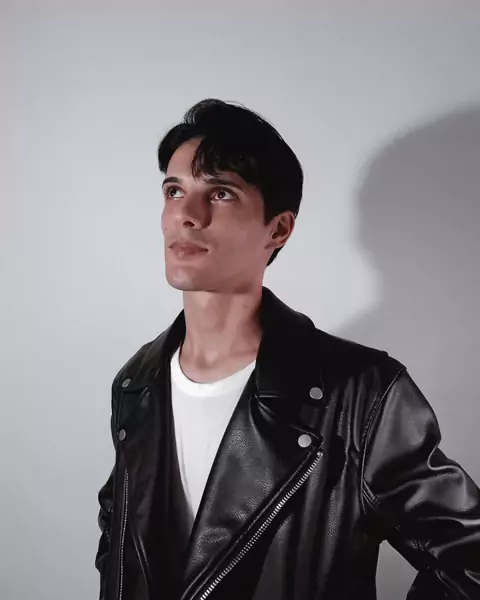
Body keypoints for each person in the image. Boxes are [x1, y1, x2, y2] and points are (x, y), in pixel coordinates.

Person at [95, 99, 480, 600]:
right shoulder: (137, 383)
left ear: (277, 229)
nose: (186, 215)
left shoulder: (360, 395)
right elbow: (121, 548)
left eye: (221, 193)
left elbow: (469, 557)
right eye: (174, 190)